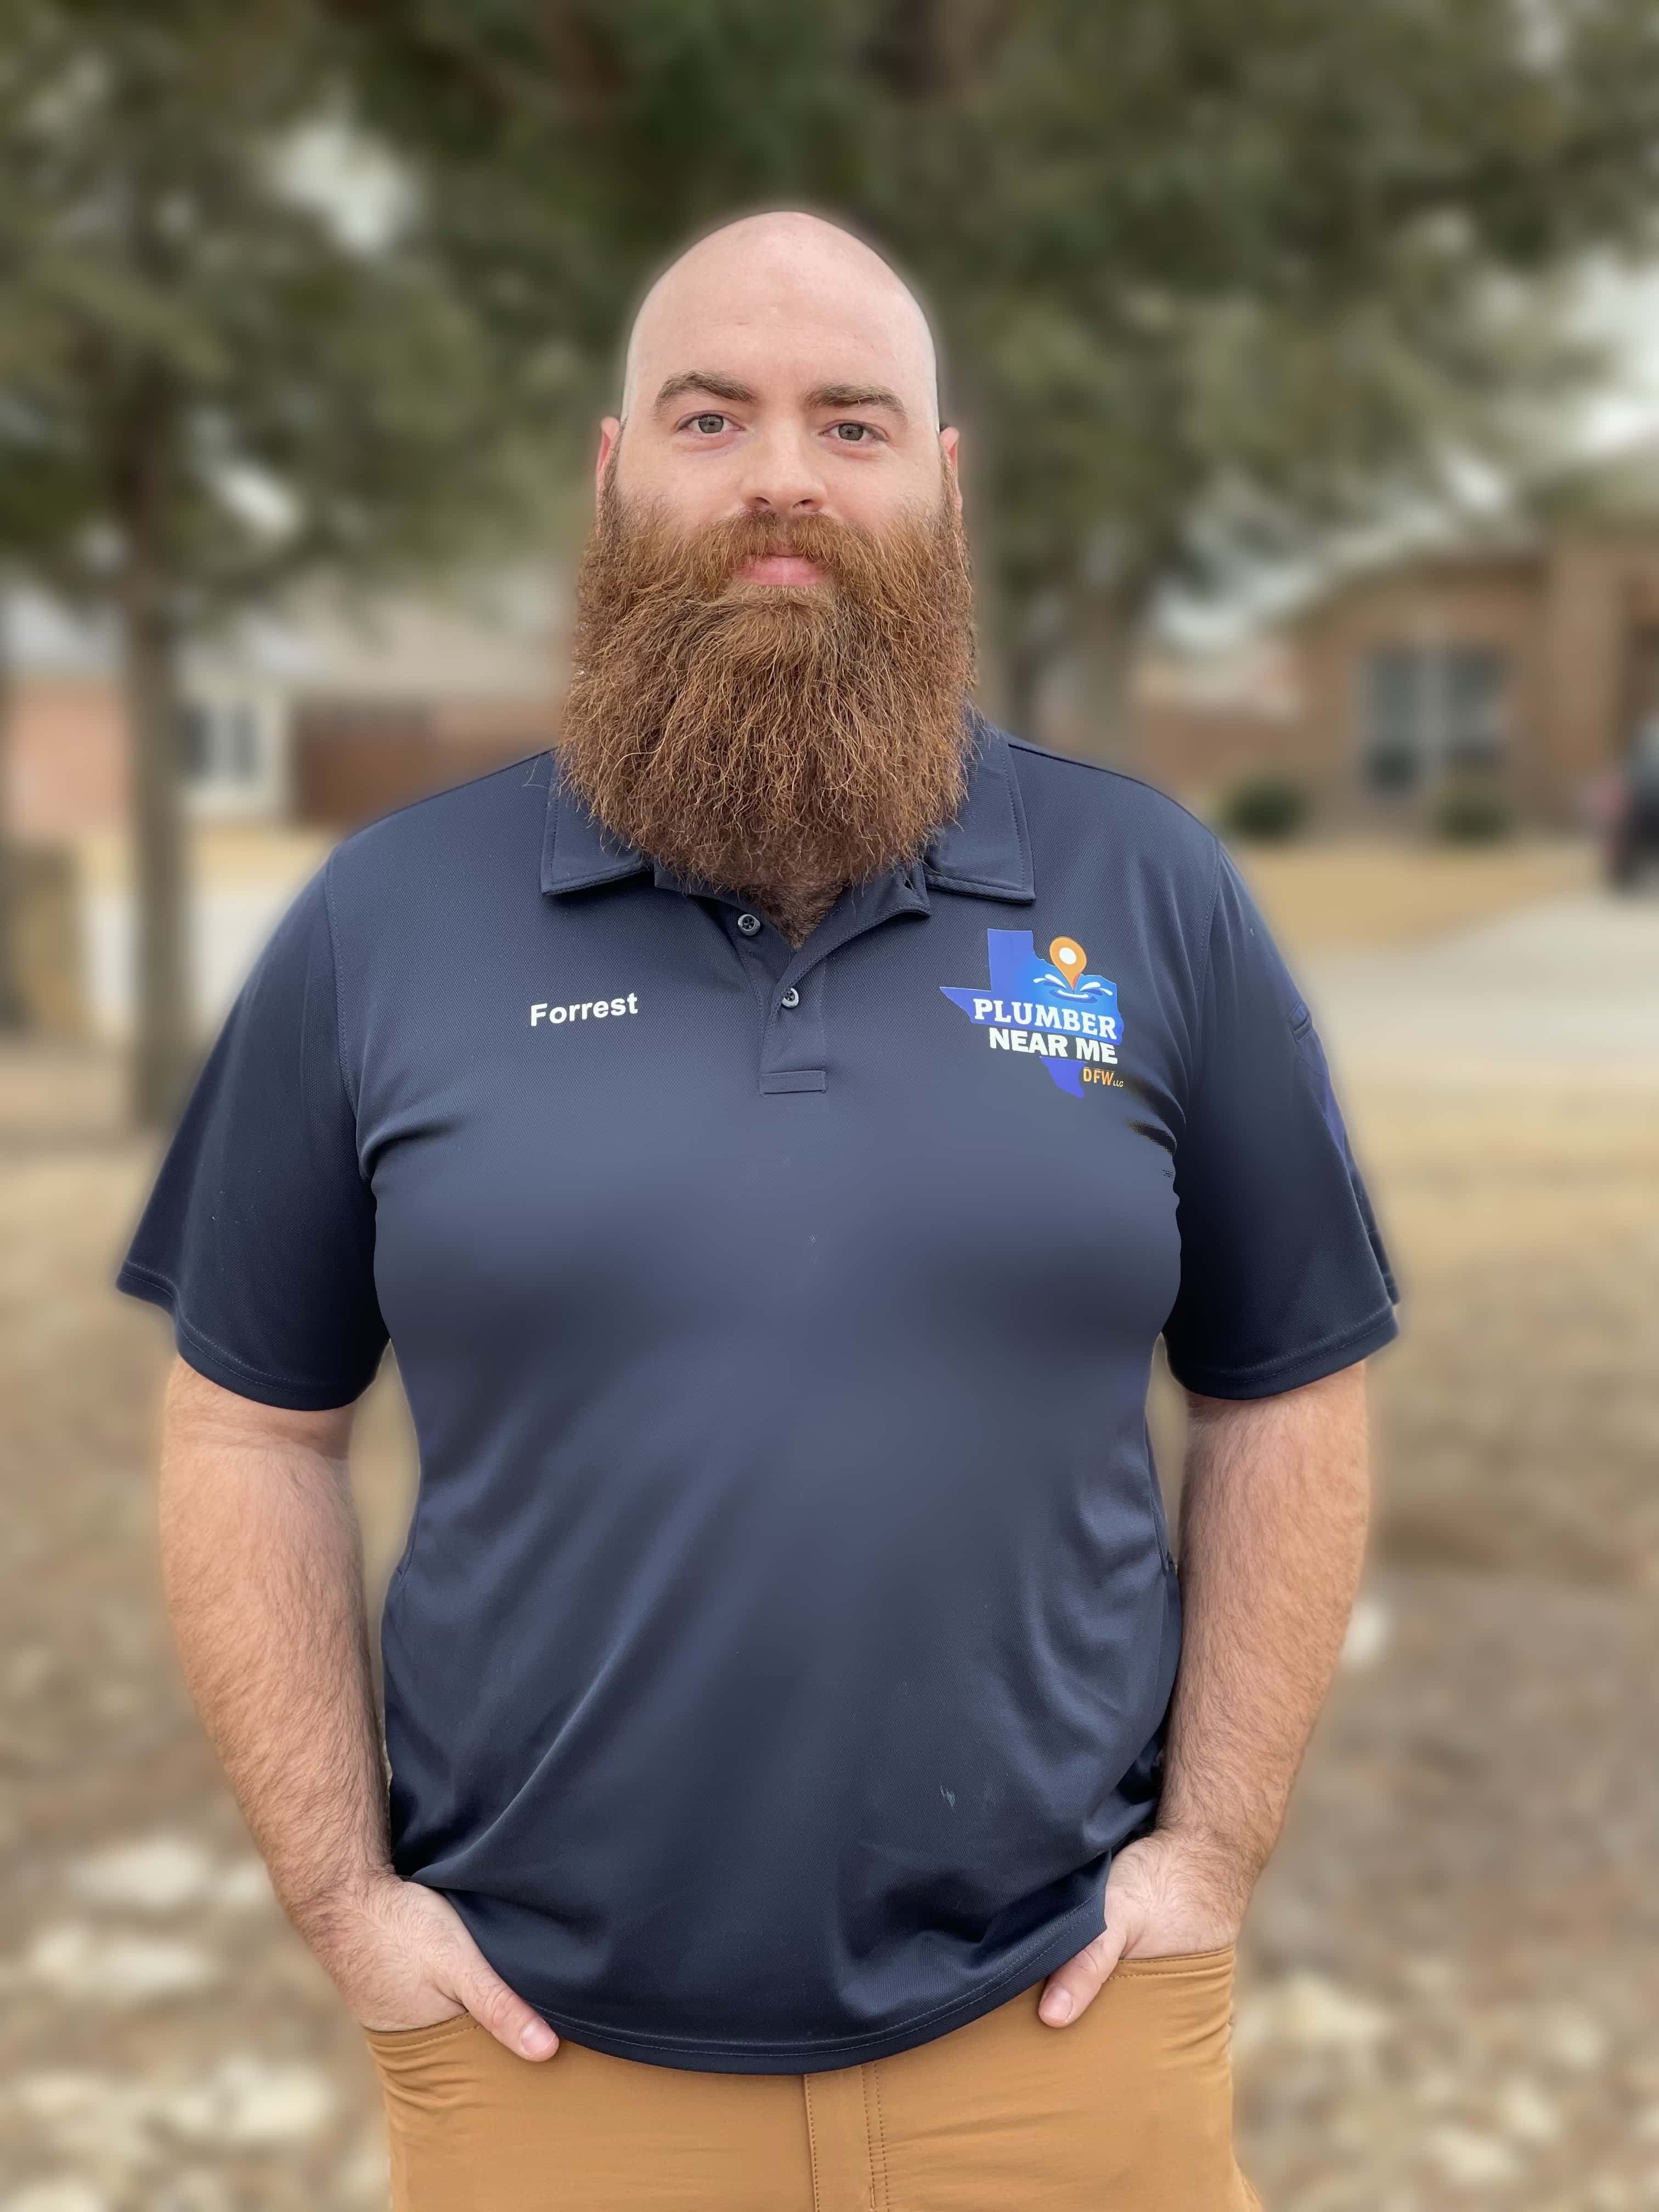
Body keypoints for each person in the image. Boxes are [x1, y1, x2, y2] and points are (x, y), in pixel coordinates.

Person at [115, 210, 1401, 2211]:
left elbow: (1287, 1387)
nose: (783, 474)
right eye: (711, 415)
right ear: (614, 475)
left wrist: (1214, 1854)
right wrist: (344, 1899)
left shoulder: (1149, 892)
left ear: (942, 487)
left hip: (1066, 2039)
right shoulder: (383, 924)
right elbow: (248, 1424)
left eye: (852, 421)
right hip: (542, 2065)